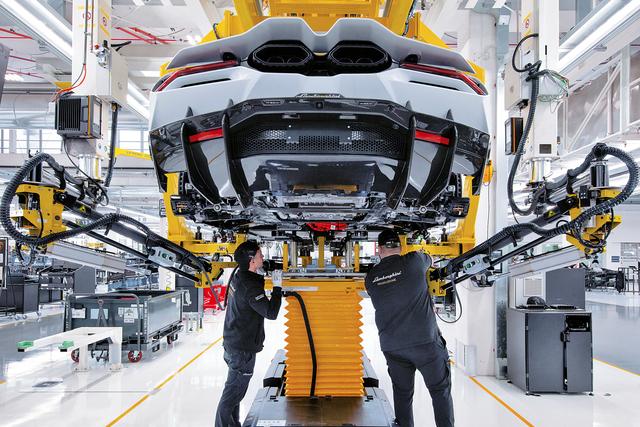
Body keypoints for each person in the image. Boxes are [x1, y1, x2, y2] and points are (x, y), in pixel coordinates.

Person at [365, 229, 454, 427]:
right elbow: (430, 259)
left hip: (393, 347)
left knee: (403, 395)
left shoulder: (370, 278)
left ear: (379, 249)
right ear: (401, 247)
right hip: (425, 344)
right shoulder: (414, 261)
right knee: (440, 391)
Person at [215, 241, 283, 427]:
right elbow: (271, 313)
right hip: (241, 350)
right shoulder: (249, 286)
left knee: (235, 393)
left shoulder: (239, 276)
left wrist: (263, 274)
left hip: (233, 344)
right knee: (232, 395)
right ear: (252, 261)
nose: (263, 258)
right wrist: (277, 288)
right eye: (260, 255)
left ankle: (233, 424)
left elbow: (251, 290)